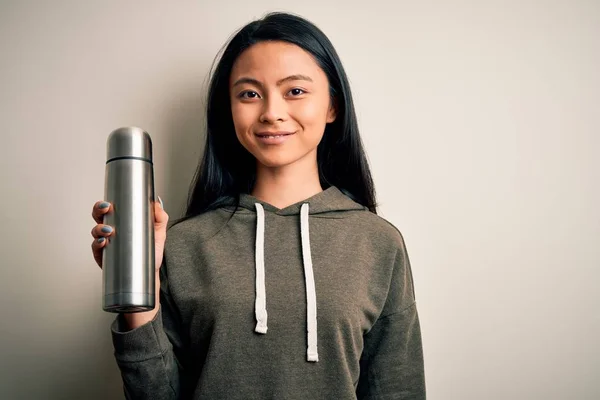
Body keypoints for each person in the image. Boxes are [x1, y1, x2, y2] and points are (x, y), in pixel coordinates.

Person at [90, 11, 425, 400]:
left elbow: (399, 391)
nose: (271, 112)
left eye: (295, 91)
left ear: (333, 106)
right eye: (249, 93)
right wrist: (142, 296)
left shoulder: (378, 243)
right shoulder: (183, 243)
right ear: (229, 109)